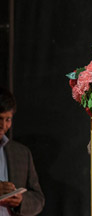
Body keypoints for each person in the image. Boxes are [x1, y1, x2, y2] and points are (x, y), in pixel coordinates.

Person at [0, 88, 44, 216]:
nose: (3, 125)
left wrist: (21, 200)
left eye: (8, 119)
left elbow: (38, 199)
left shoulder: (22, 153)